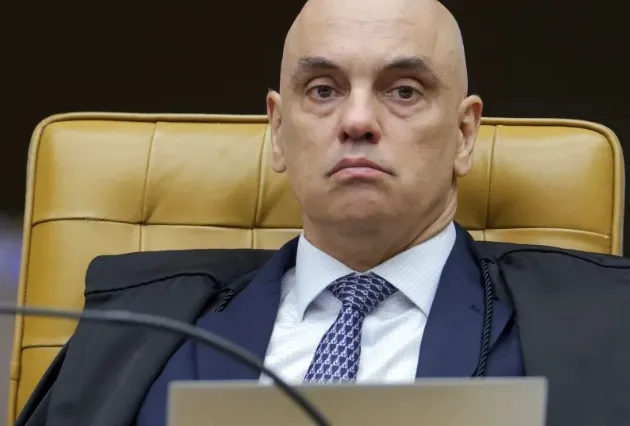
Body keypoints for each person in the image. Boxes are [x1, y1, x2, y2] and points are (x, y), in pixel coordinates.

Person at [16, 0, 630, 425]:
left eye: (403, 90)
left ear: (465, 135)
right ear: (278, 132)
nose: (357, 121)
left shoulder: (599, 324)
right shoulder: (140, 326)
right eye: (324, 90)